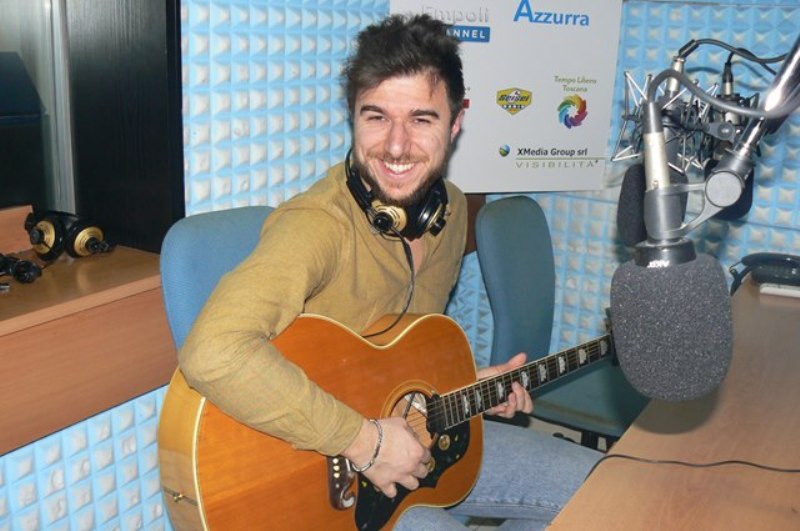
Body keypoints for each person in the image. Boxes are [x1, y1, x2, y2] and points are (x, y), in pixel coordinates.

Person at [179, 13, 600, 530]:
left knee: (607, 489)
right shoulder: (317, 225)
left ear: (456, 122)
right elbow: (213, 351)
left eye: (421, 120)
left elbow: (393, 359)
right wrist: (366, 443)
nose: (396, 146)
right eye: (376, 117)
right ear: (352, 117)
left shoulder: (451, 213)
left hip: (414, 444)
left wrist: (467, 388)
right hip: (326, 479)